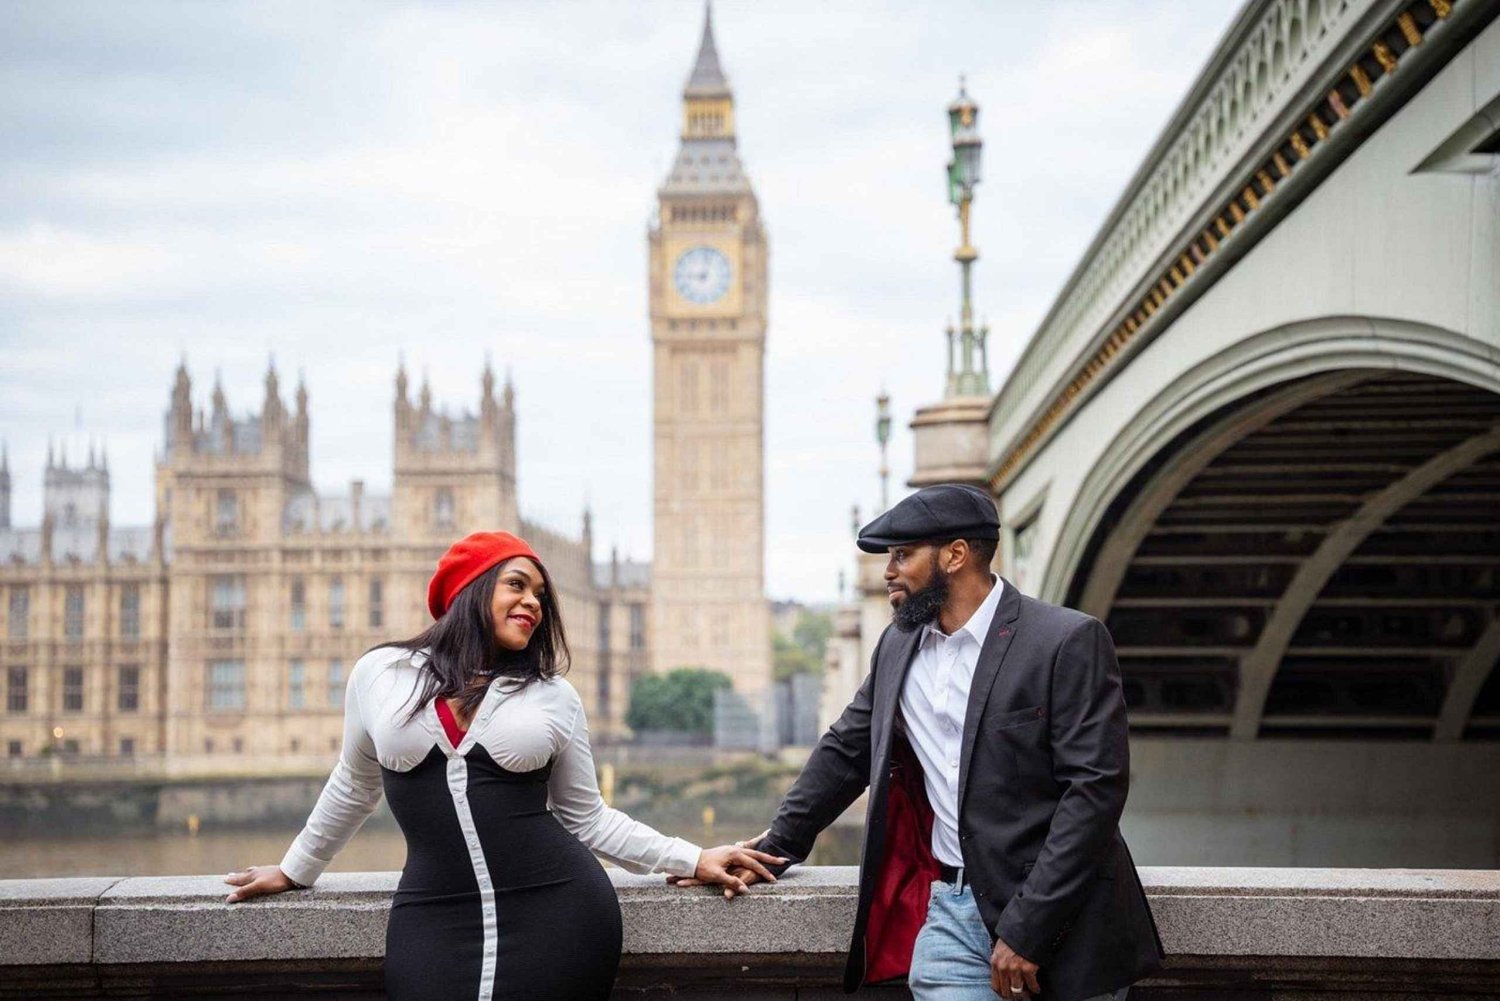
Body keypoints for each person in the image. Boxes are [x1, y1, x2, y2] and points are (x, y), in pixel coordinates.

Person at [224, 530, 784, 1001]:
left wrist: (693, 855)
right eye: (516, 584)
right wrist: (297, 868)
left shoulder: (552, 695)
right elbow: (354, 781)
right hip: (432, 914)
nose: (534, 603)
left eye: (541, 593)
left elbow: (588, 819)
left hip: (560, 912)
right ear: (468, 590)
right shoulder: (381, 673)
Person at [673, 483, 1164, 1001]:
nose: (888, 571)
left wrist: (1030, 926)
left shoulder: (1066, 640)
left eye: (903, 555)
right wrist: (771, 850)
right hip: (953, 911)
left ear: (954, 556)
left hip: (1067, 919)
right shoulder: (899, 644)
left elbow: (1094, 792)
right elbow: (846, 750)